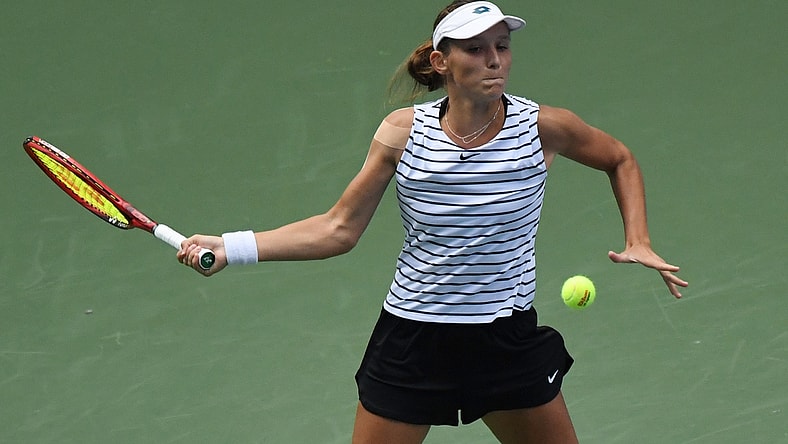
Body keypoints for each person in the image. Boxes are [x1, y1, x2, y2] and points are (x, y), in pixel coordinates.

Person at [178, 1, 689, 442]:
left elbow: (618, 158)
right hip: (415, 339)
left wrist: (637, 239)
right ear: (442, 61)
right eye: (476, 48)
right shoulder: (404, 133)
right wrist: (233, 246)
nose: (494, 59)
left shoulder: (543, 126)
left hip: (504, 340)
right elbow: (339, 228)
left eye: (502, 46)